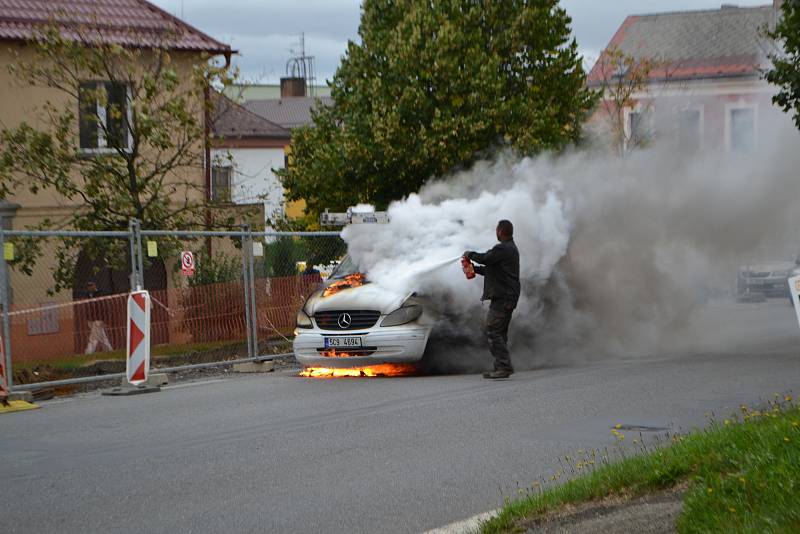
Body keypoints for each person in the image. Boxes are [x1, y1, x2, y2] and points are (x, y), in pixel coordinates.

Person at [463, 220, 521, 379]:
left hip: (503, 297)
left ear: (500, 231)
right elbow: (491, 269)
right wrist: (473, 269)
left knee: (492, 330)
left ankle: (504, 366)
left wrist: (470, 254)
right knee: (499, 332)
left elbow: (486, 258)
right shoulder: (509, 249)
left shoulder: (503, 248)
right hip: (506, 296)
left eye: (496, 230)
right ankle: (500, 366)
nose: (496, 233)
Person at [84, 280, 113, 354]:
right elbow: (87, 308)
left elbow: (103, 307)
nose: (90, 288)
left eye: (91, 286)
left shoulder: (100, 294)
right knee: (102, 336)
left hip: (98, 318)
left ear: (94, 286)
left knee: (94, 336)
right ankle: (108, 350)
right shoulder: (88, 296)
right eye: (88, 286)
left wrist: (104, 319)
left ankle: (89, 351)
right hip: (91, 319)